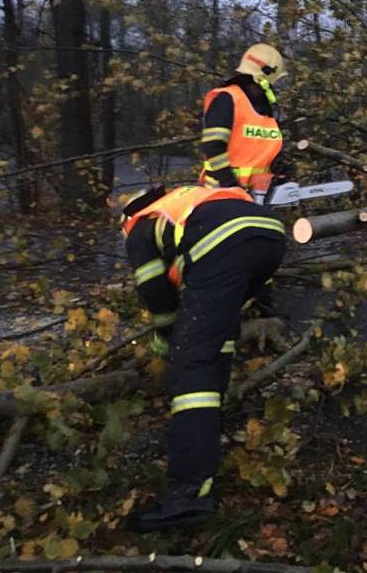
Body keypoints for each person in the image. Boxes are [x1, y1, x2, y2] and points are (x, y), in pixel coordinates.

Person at [120, 183, 287, 530]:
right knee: (216, 339)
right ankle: (215, 413)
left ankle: (190, 495)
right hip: (270, 235)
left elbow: (153, 288)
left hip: (224, 242)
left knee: (193, 362)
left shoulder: (140, 224)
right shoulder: (187, 202)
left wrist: (168, 340)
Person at [199, 43, 293, 199]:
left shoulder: (265, 108)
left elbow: (259, 147)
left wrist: (277, 166)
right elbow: (213, 147)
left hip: (257, 194)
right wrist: (231, 185)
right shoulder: (227, 100)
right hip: (220, 195)